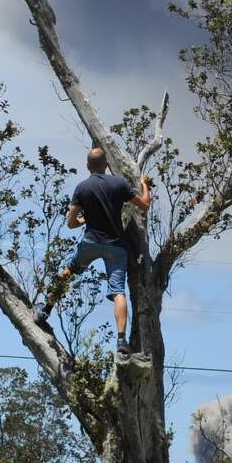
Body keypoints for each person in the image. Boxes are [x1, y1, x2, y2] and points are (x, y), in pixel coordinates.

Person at [36, 146, 151, 355]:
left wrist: (84, 219)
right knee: (118, 291)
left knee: (69, 271)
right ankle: (121, 341)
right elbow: (144, 205)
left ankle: (45, 310)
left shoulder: (82, 188)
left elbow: (70, 223)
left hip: (90, 242)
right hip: (116, 245)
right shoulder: (119, 183)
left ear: (88, 166)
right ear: (106, 165)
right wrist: (144, 186)